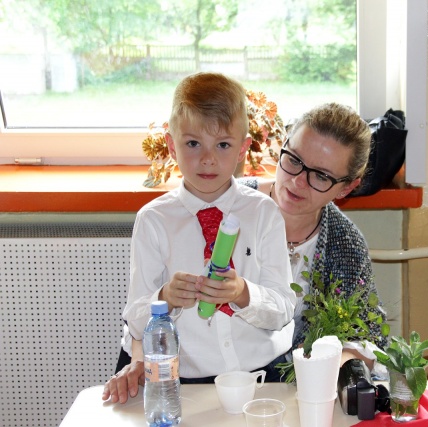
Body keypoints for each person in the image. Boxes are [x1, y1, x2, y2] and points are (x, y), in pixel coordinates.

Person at [102, 72, 295, 403]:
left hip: (266, 377)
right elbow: (135, 319)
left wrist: (243, 292)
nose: (207, 159)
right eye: (193, 143)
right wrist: (165, 297)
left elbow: (284, 309)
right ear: (171, 146)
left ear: (242, 149)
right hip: (187, 384)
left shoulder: (264, 213)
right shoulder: (153, 220)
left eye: (223, 145)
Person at [243, 102, 388, 372]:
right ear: (283, 144)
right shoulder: (227, 204)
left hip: (293, 387)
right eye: (294, 160)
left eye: (321, 176)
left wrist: (339, 354)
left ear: (346, 188)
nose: (298, 181)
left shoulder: (345, 246)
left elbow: (371, 337)